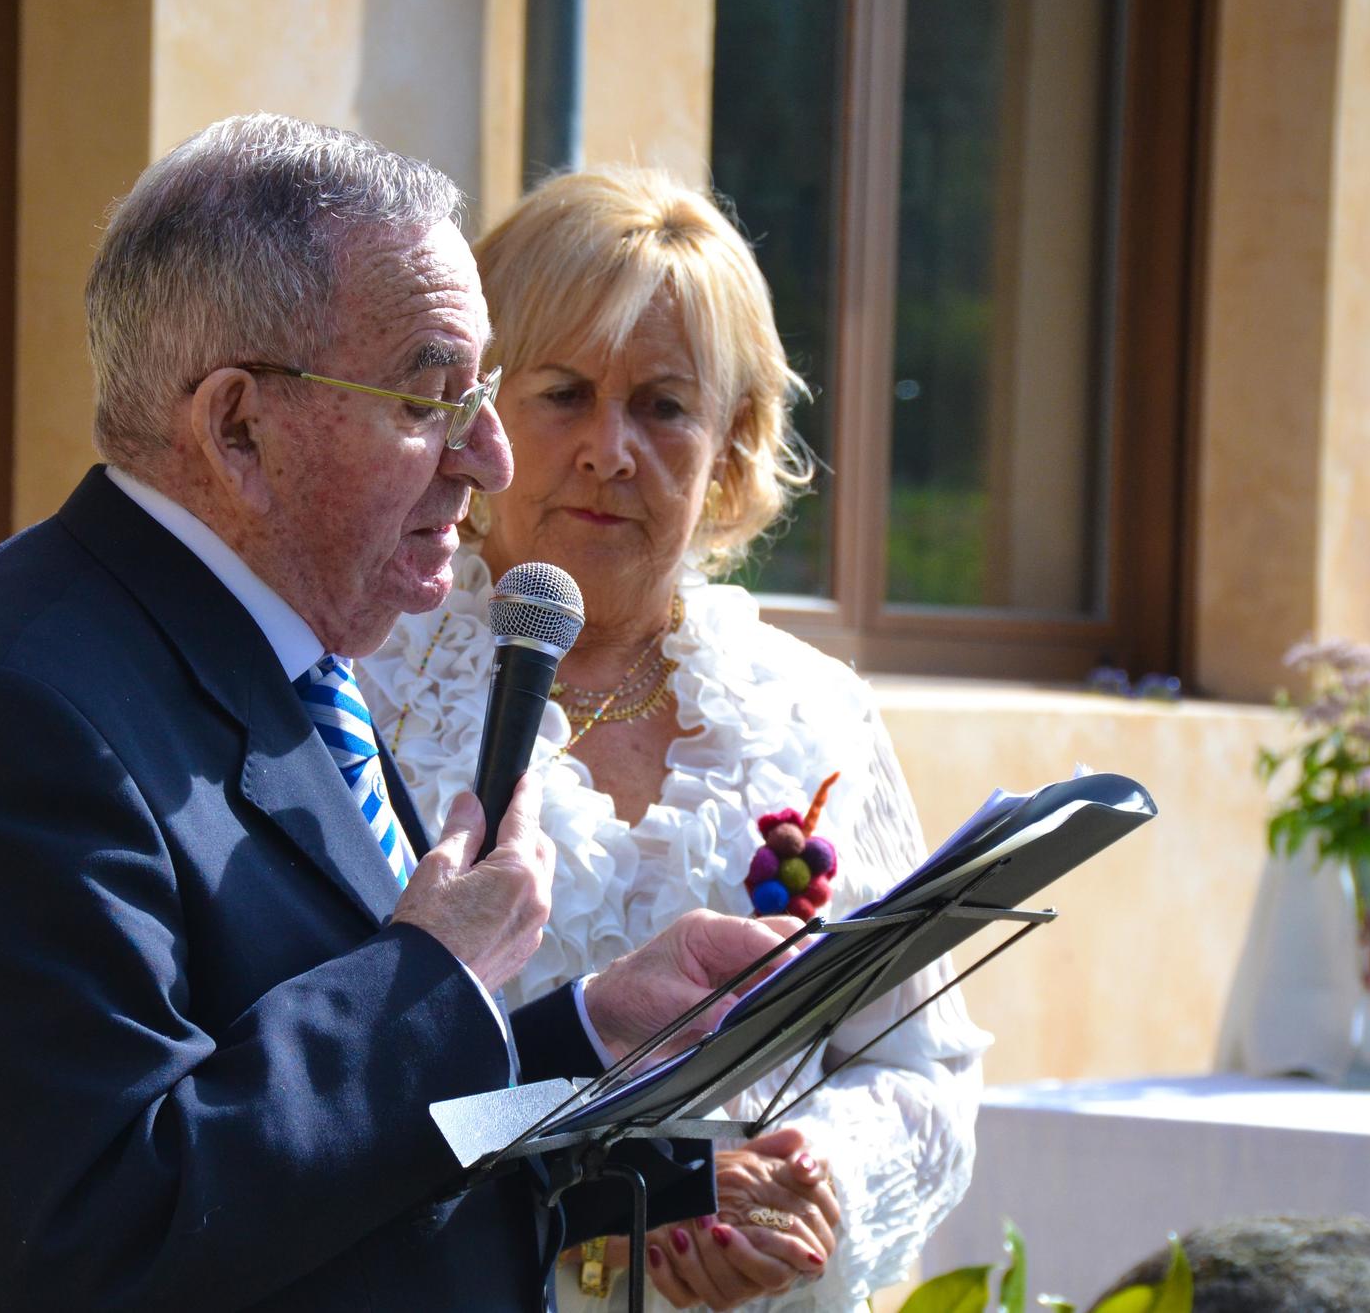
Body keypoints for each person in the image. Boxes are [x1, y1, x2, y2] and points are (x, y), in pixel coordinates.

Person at [0, 117, 793, 1312]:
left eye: (485, 394)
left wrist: (585, 1041)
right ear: (236, 427)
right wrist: (429, 976)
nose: (487, 457)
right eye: (430, 396)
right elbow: (89, 1235)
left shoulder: (287, 660)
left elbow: (352, 1158)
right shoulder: (19, 711)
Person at [358, 167, 991, 1311]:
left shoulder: (813, 713)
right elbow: (332, 1094)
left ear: (732, 442)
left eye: (662, 405)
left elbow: (921, 1066)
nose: (609, 448)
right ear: (477, 413)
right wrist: (640, 1190)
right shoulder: (368, 686)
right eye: (561, 393)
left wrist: (817, 1184)